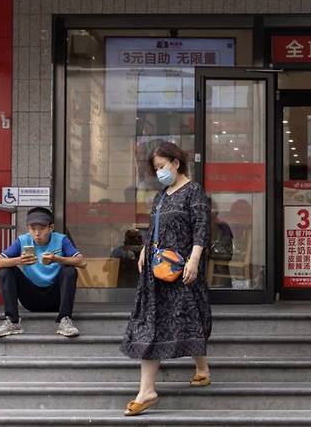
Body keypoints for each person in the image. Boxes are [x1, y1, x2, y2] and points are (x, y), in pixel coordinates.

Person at [120, 142, 212, 416]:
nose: (159, 171)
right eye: (156, 168)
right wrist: (145, 250)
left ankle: (201, 368)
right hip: (156, 272)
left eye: (162, 166)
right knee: (154, 324)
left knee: (190, 317)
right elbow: (153, 229)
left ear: (176, 162)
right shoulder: (160, 196)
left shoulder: (193, 191)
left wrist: (194, 260)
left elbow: (201, 229)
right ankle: (148, 390)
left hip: (182, 269)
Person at [0, 207, 87, 338]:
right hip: (31, 299)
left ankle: (65, 320)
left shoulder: (61, 240)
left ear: (51, 227)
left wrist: (57, 259)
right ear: (28, 229)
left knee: (69, 270)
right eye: (32, 228)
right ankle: (12, 322)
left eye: (41, 228)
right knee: (6, 271)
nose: (37, 233)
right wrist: (19, 260)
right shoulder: (23, 240)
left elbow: (82, 262)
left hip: (56, 299)